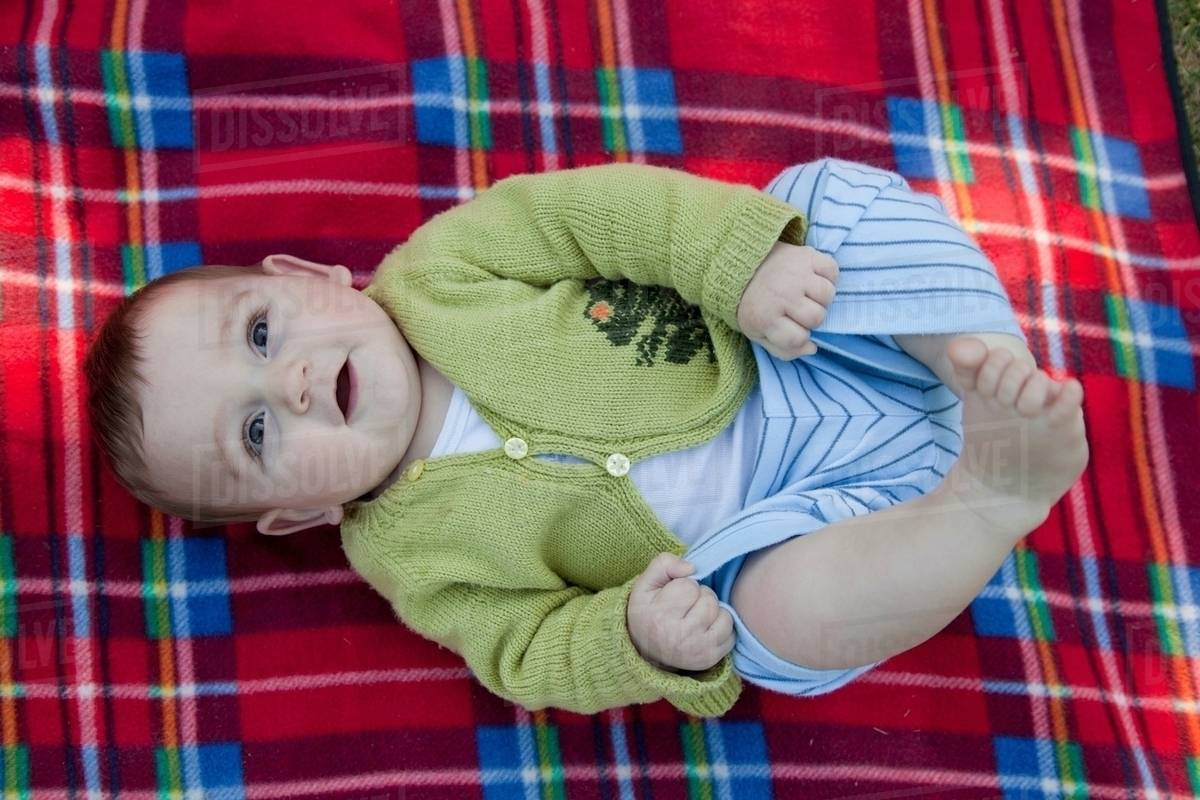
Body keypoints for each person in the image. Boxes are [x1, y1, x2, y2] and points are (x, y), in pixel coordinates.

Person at [83, 158, 1088, 718]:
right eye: (257, 429)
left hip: (803, 341)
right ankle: (986, 497)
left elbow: (605, 216)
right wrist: (633, 639)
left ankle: (972, 364)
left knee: (833, 205)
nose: (294, 380)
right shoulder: (412, 560)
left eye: (264, 331)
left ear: (309, 276)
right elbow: (526, 651)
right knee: (771, 628)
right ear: (300, 510)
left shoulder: (448, 264)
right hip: (801, 524)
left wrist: (734, 267)